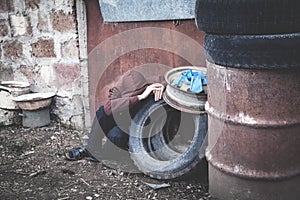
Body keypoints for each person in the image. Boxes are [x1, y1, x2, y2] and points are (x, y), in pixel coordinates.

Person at [65, 70, 165, 161]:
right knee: (101, 112)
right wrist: (139, 97)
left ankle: (103, 154)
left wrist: (162, 86)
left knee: (115, 137)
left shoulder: (152, 83)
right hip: (118, 118)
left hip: (131, 126)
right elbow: (108, 108)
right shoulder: (117, 89)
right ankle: (92, 149)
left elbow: (173, 80)